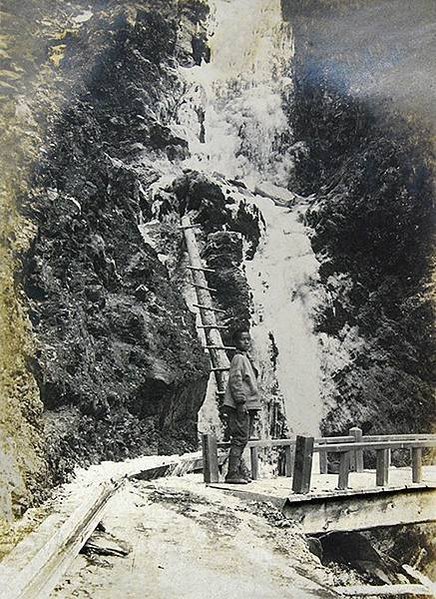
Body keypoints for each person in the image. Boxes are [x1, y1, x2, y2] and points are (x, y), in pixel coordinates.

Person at [223, 328, 261, 484]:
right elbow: (235, 380)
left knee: (243, 438)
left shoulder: (245, 358)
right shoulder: (238, 358)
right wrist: (240, 402)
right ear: (235, 342)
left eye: (248, 339)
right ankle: (231, 473)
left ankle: (238, 471)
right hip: (242, 405)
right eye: (242, 339)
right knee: (239, 438)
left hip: (248, 405)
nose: (246, 342)